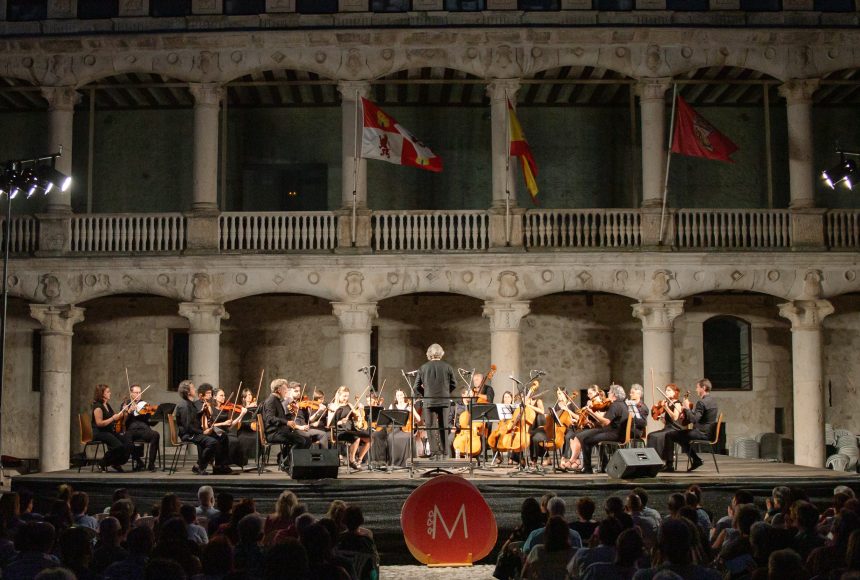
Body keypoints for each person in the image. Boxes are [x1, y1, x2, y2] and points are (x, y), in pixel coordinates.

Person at [567, 384, 629, 474]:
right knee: (590, 436)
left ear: (614, 394)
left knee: (586, 440)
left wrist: (592, 412)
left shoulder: (615, 405)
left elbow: (606, 422)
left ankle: (587, 469)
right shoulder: (623, 404)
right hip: (618, 432)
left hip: (613, 433)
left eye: (610, 392)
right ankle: (604, 465)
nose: (608, 393)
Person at [662, 378, 719, 472]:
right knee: (680, 437)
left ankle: (669, 465)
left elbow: (694, 420)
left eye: (697, 387)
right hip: (709, 433)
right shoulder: (713, 401)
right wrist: (686, 411)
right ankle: (696, 460)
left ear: (703, 388)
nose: (696, 390)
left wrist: (687, 408)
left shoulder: (701, 402)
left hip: (701, 433)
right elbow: (699, 417)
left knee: (669, 435)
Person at [174, 380, 228, 475]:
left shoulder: (190, 404)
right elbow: (188, 427)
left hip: (194, 431)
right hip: (189, 434)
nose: (195, 389)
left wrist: (201, 412)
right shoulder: (185, 406)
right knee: (212, 442)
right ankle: (200, 466)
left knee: (221, 435)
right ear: (188, 392)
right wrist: (203, 432)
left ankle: (219, 466)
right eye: (193, 388)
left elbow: (193, 419)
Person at [414, 343, 456, 460]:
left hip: (429, 401)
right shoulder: (447, 367)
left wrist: (425, 394)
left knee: (430, 427)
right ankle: (445, 453)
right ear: (441, 353)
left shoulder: (423, 367)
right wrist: (446, 393)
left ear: (429, 354)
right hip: (444, 401)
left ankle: (434, 453)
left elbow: (416, 386)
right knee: (444, 426)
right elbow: (454, 384)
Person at [262, 378, 312, 469]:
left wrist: (292, 418)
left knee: (307, 440)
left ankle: (288, 459)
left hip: (280, 431)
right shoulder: (271, 400)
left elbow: (281, 418)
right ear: (278, 389)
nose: (287, 391)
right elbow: (270, 418)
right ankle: (286, 462)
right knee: (301, 441)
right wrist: (286, 422)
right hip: (273, 433)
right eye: (285, 388)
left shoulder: (277, 400)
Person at [91, 384, 134, 472]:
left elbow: (117, 417)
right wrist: (112, 418)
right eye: (108, 392)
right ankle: (102, 463)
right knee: (118, 446)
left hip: (108, 431)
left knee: (128, 443)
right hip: (99, 432)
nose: (110, 393)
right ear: (102, 394)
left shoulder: (107, 405)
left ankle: (116, 462)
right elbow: (99, 423)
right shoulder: (98, 407)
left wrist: (126, 411)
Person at [522, 516, 578, 580]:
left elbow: (524, 575)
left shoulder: (537, 551)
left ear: (546, 533)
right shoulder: (575, 553)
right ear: (566, 534)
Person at [122, 383, 161, 472]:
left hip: (144, 430)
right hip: (131, 430)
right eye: (136, 392)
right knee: (127, 439)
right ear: (131, 393)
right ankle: (139, 461)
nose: (138, 395)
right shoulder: (126, 405)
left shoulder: (144, 405)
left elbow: (152, 423)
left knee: (155, 435)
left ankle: (151, 464)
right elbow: (123, 422)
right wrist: (128, 412)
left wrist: (157, 416)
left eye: (140, 392)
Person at [646, 384, 688, 461]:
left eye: (669, 390)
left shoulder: (677, 404)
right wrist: (662, 419)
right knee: (650, 435)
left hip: (675, 429)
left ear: (675, 392)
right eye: (666, 390)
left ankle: (659, 459)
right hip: (667, 428)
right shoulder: (668, 403)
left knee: (656, 436)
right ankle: (651, 459)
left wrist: (666, 408)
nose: (666, 392)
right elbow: (668, 422)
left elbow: (675, 417)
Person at [387, 389, 421, 467]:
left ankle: (407, 462)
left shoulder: (409, 406)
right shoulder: (392, 406)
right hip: (395, 429)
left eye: (401, 395)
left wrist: (412, 411)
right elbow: (388, 419)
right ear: (395, 397)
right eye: (398, 395)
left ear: (404, 396)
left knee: (407, 438)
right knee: (390, 437)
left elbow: (418, 419)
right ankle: (394, 462)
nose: (399, 397)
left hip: (407, 429)